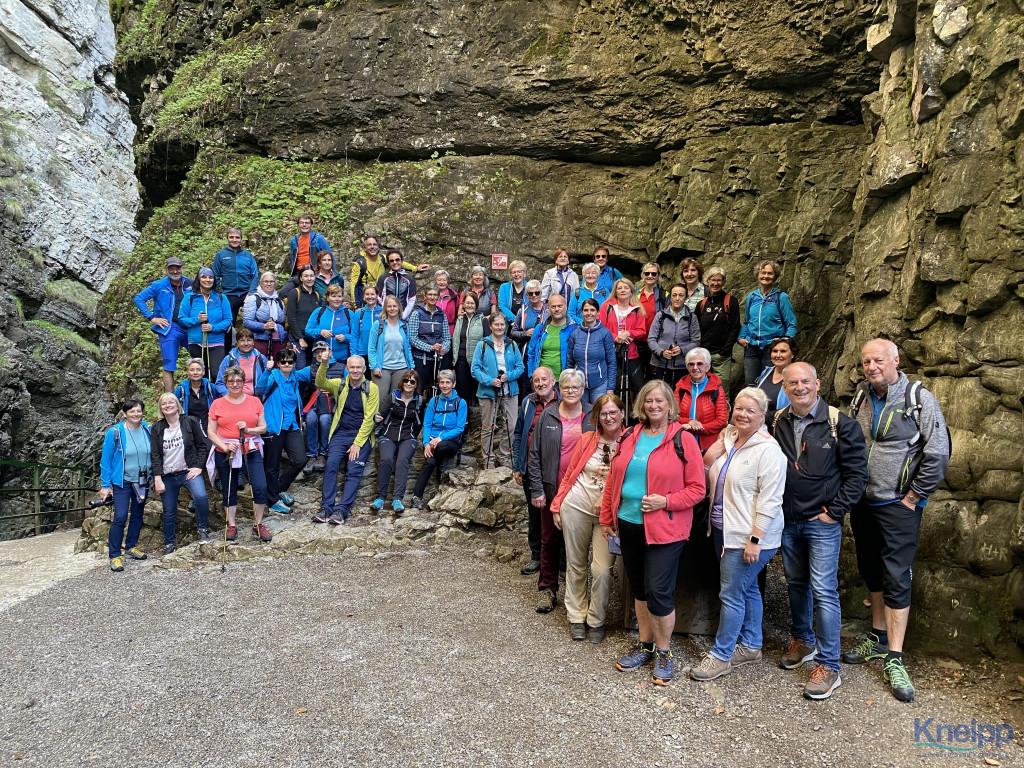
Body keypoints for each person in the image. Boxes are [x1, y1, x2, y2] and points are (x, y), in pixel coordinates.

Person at [842, 339, 950, 703]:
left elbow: (937, 452)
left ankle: (895, 656)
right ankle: (875, 637)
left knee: (896, 574)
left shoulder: (919, 398)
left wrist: (912, 499)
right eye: (866, 361)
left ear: (895, 360)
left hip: (898, 505)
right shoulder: (860, 396)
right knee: (871, 568)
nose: (871, 366)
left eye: (878, 360)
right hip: (864, 501)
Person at [599, 380, 706, 685]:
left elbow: (698, 489)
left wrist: (666, 501)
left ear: (670, 405)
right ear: (641, 405)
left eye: (659, 401)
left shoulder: (682, 440)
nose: (654, 406)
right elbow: (613, 481)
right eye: (649, 401)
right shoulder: (631, 434)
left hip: (666, 529)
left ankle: (664, 651)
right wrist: (607, 516)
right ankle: (645, 646)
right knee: (640, 589)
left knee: (659, 592)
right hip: (629, 523)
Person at [774, 362, 868, 700]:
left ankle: (829, 665)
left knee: (824, 590)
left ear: (818, 383)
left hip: (822, 522)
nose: (799, 388)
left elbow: (857, 475)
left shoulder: (839, 423)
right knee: (796, 582)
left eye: (805, 382)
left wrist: (835, 512)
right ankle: (803, 639)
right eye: (792, 383)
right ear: (784, 386)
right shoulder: (778, 421)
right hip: (788, 519)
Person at [690, 387, 785, 682]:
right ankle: (752, 645)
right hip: (723, 528)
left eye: (750, 410)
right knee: (747, 588)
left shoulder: (769, 451)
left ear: (762, 415)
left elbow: (770, 500)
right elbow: (708, 472)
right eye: (739, 408)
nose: (742, 414)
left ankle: (721, 655)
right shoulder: (729, 438)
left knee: (731, 593)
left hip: (748, 536)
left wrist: (755, 540)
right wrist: (709, 455)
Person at [549, 392, 625, 643]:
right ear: (597, 418)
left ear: (622, 414)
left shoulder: (631, 441)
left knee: (602, 569)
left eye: (614, 412)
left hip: (608, 516)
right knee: (576, 563)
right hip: (577, 505)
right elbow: (571, 473)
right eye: (604, 413)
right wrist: (557, 503)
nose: (609, 417)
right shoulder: (586, 440)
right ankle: (576, 616)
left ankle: (596, 618)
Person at [528, 368, 589, 614]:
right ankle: (547, 589)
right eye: (566, 387)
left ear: (583, 389)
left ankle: (579, 597)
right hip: (552, 489)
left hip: (582, 491)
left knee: (579, 546)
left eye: (575, 387)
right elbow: (535, 455)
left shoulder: (592, 415)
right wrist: (537, 490)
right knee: (549, 540)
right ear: (559, 389)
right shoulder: (549, 415)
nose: (571, 391)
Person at [207, 366, 272, 543]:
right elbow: (211, 431)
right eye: (231, 381)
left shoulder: (254, 401)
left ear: (244, 382)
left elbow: (263, 427)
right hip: (226, 449)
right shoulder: (217, 404)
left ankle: (258, 523)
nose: (235, 384)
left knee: (260, 486)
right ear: (226, 383)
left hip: (249, 447)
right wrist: (225, 446)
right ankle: (232, 524)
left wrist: (248, 429)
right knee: (229, 488)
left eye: (238, 381)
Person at [314, 354, 380, 524]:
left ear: (364, 369)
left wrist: (357, 443)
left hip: (361, 434)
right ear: (347, 369)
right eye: (352, 367)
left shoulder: (372, 388)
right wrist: (324, 364)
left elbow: (369, 419)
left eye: (359, 367)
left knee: (353, 470)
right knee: (331, 465)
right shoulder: (341, 384)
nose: (355, 370)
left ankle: (342, 510)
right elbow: (321, 383)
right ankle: (326, 508)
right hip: (341, 433)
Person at [151, 392, 211, 554]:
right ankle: (169, 543)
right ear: (161, 408)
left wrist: (198, 466)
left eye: (171, 402)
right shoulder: (156, 428)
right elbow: (155, 454)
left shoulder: (190, 422)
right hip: (167, 475)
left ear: (177, 404)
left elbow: (202, 446)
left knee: (201, 496)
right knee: (169, 510)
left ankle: (202, 529)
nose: (168, 405)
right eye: (164, 403)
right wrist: (157, 478)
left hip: (188, 470)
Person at [512, 367, 558, 576]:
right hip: (531, 466)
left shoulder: (563, 402)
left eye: (544, 379)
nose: (540, 383)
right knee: (534, 513)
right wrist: (517, 466)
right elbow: (519, 433)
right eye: (536, 380)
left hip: (556, 467)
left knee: (558, 513)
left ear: (553, 381)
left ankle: (561, 559)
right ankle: (536, 556)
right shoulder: (528, 402)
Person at [98, 400, 152, 572]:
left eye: (139, 411)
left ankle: (131, 546)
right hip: (122, 481)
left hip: (142, 479)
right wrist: (105, 485)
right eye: (132, 411)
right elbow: (106, 460)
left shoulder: (147, 429)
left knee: (137, 514)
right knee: (120, 516)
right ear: (125, 413)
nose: (136, 414)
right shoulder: (115, 433)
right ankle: (114, 555)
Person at [257, 348, 312, 514]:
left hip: (292, 425)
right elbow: (259, 389)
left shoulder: (295, 376)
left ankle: (279, 488)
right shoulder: (273, 376)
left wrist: (322, 357)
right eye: (283, 361)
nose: (286, 364)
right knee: (272, 465)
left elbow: (313, 370)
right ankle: (273, 500)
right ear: (278, 363)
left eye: (290, 361)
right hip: (275, 426)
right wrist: (267, 369)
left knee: (300, 459)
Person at [133, 257, 194, 392]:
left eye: (177, 268)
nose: (175, 271)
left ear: (182, 269)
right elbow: (139, 298)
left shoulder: (190, 284)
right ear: (166, 270)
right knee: (169, 364)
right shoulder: (159, 285)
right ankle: (169, 398)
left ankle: (198, 393)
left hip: (189, 327)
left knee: (199, 358)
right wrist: (152, 317)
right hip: (169, 328)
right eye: (171, 268)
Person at [472, 313, 524, 468]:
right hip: (488, 392)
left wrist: (509, 376)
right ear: (491, 326)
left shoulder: (512, 345)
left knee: (512, 425)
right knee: (488, 426)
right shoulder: (482, 345)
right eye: (497, 324)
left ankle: (504, 453)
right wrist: (489, 380)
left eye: (502, 324)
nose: (500, 327)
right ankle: (488, 458)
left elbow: (520, 367)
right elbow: (475, 369)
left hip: (509, 390)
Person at [411, 370, 467, 507]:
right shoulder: (434, 401)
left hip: (450, 442)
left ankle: (438, 466)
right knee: (430, 463)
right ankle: (416, 497)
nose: (444, 385)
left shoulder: (461, 403)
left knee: (441, 447)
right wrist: (425, 444)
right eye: (442, 382)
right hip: (431, 441)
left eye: (448, 382)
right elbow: (427, 424)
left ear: (453, 384)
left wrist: (440, 438)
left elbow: (459, 428)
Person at [738, 259, 798, 385]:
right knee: (751, 384)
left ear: (775, 276)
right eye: (763, 273)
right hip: (752, 346)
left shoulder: (781, 297)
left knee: (770, 383)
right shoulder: (752, 297)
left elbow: (791, 323)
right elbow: (747, 321)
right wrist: (741, 337)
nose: (766, 276)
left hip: (772, 346)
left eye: (769, 273)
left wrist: (785, 341)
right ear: (758, 275)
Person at [372, 370, 423, 514]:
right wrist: (377, 419)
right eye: (406, 380)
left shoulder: (419, 401)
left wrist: (413, 435)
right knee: (386, 459)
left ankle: (397, 499)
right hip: (388, 434)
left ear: (416, 385)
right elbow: (380, 415)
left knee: (402, 461)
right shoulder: (393, 397)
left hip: (408, 436)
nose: (408, 383)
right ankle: (380, 498)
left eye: (412, 381)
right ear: (402, 382)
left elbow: (419, 422)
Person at [599, 279, 646, 411]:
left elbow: (642, 331)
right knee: (614, 385)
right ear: (615, 291)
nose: (623, 290)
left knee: (638, 386)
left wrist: (628, 334)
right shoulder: (607, 307)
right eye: (620, 288)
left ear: (631, 291)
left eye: (626, 287)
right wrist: (615, 337)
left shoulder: (637, 309)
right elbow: (601, 328)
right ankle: (612, 412)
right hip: (611, 352)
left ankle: (637, 415)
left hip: (631, 353)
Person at [696, 266, 741, 397]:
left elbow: (735, 327)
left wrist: (724, 351)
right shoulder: (702, 304)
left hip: (721, 356)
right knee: (703, 390)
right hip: (704, 355)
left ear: (723, 282)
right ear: (707, 281)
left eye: (719, 280)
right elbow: (696, 328)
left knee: (721, 392)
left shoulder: (730, 301)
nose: (715, 283)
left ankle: (724, 417)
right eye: (712, 279)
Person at [179, 266, 231, 379]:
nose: (208, 280)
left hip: (216, 343)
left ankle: (217, 396)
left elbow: (228, 320)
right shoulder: (190, 297)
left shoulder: (221, 298)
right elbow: (182, 318)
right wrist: (197, 320)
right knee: (200, 376)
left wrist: (213, 327)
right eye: (204, 277)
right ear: (198, 279)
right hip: (196, 343)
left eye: (210, 277)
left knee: (216, 374)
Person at [673, 347, 729, 452]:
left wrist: (698, 428)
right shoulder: (680, 388)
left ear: (707, 367)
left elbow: (722, 420)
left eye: (700, 364)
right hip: (683, 441)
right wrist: (689, 422)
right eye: (691, 364)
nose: (695, 367)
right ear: (687, 367)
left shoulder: (716, 388)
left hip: (709, 445)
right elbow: (672, 415)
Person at [211, 227, 260, 347]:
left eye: (237, 237)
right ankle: (229, 349)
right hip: (229, 294)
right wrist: (219, 292)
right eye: (231, 237)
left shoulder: (248, 256)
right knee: (228, 324)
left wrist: (251, 292)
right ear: (227, 238)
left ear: (241, 239)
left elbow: (255, 274)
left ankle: (254, 347)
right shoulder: (221, 255)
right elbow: (215, 274)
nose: (234, 240)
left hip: (246, 293)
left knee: (254, 319)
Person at [350, 235, 427, 308]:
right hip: (366, 299)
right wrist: (356, 306)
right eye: (369, 245)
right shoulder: (360, 263)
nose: (372, 247)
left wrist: (415, 268)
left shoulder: (382, 258)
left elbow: (396, 262)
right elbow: (354, 285)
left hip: (380, 298)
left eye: (375, 244)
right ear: (365, 248)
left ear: (378, 246)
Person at [368, 295, 415, 412]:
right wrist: (374, 366)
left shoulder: (404, 326)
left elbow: (407, 348)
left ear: (399, 308)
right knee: (380, 399)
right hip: (382, 368)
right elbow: (371, 348)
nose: (392, 309)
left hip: (401, 368)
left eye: (394, 306)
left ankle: (391, 425)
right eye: (389, 306)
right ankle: (377, 426)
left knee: (396, 400)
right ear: (385, 308)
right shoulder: (378, 325)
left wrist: (411, 366)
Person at [648, 284, 701, 388]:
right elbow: (651, 339)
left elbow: (696, 341)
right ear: (670, 297)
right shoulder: (661, 315)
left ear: (686, 298)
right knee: (661, 394)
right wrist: (661, 352)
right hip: (660, 364)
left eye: (681, 295)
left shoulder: (691, 317)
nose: (677, 298)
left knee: (680, 396)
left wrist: (682, 349)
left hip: (682, 365)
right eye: (674, 295)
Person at [566, 298, 616, 403]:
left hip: (600, 384)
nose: (589, 313)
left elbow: (611, 362)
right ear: (582, 312)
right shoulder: (575, 334)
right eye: (586, 310)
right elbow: (570, 361)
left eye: (592, 310)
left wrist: (610, 387)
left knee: (598, 415)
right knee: (581, 415)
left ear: (598, 313)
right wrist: (569, 381)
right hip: (579, 384)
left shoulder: (605, 333)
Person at [408, 285, 452, 397]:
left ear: (438, 297)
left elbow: (447, 337)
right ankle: (418, 412)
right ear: (425, 297)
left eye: (435, 295)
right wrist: (430, 347)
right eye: (430, 295)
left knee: (438, 388)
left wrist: (444, 348)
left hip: (438, 359)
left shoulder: (442, 315)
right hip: (421, 359)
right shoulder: (416, 313)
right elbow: (413, 338)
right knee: (419, 388)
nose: (432, 297)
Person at [451, 292, 489, 408]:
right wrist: (454, 360)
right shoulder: (460, 320)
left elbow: (487, 342)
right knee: (462, 392)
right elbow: (455, 340)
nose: (469, 305)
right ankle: (464, 421)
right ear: (463, 304)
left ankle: (479, 422)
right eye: (467, 303)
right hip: (461, 360)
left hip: (476, 361)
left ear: (476, 305)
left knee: (477, 392)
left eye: (472, 303)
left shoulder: (483, 320)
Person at [302, 342, 335, 473]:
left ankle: (323, 454)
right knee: (310, 419)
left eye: (323, 351)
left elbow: (347, 386)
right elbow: (293, 374)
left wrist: (334, 392)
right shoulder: (309, 369)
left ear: (330, 352)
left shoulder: (340, 367)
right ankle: (312, 455)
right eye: (317, 352)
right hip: (314, 405)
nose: (321, 354)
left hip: (331, 407)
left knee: (325, 420)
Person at [511, 280, 547, 397]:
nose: (534, 296)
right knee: (529, 381)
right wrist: (525, 333)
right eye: (530, 293)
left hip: (544, 351)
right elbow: (513, 331)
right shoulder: (523, 311)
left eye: (537, 293)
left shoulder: (548, 310)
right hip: (527, 352)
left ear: (541, 293)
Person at [525, 294, 574, 379]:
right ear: (549, 309)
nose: (556, 309)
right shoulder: (540, 328)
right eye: (553, 307)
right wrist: (532, 375)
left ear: (566, 307)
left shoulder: (573, 329)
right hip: (543, 380)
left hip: (565, 380)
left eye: (560, 306)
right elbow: (531, 353)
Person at [243, 271, 288, 360]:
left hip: (277, 340)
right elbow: (246, 322)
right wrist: (264, 326)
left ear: (275, 284)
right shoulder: (253, 299)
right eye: (266, 281)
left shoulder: (279, 301)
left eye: (271, 281)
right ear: (261, 283)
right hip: (259, 339)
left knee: (277, 367)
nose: (269, 284)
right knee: (260, 366)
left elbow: (282, 321)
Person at [304, 284, 353, 365]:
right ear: (327, 298)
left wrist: (345, 337)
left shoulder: (349, 313)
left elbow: (355, 336)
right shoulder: (319, 311)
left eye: (339, 296)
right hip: (321, 358)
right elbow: (308, 331)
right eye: (333, 296)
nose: (337, 299)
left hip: (342, 359)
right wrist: (320, 332)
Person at [755, 336, 797, 429]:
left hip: (781, 429)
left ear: (792, 354)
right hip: (758, 427)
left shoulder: (797, 378)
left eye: (783, 351)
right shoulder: (766, 372)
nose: (778, 355)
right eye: (774, 351)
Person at [285, 267, 322, 368]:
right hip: (297, 338)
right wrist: (300, 338)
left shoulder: (317, 295)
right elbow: (291, 317)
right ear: (301, 278)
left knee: (313, 368)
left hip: (312, 337)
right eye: (306, 276)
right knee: (301, 367)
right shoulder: (294, 293)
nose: (309, 278)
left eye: (311, 276)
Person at [214, 328, 267, 396]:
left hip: (256, 399)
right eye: (242, 340)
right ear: (237, 343)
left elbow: (268, 381)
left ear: (253, 342)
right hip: (234, 400)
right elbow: (219, 383)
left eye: (249, 340)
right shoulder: (228, 359)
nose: (246, 343)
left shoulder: (261, 359)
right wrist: (229, 396)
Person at [636, 262, 667, 376]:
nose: (650, 276)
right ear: (642, 275)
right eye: (647, 273)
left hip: (656, 341)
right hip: (638, 341)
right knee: (638, 375)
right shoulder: (636, 295)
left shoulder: (665, 295)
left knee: (654, 375)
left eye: (653, 274)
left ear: (658, 276)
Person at [175, 358, 216, 433]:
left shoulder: (211, 388)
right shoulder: (181, 390)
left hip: (209, 430)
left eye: (198, 370)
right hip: (189, 431)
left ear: (203, 372)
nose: (195, 372)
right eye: (192, 370)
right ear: (188, 372)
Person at [376, 248, 417, 319]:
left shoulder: (409, 279)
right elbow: (379, 298)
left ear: (401, 261)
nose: (395, 262)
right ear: (388, 263)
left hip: (404, 317)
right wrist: (387, 312)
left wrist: (403, 316)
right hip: (387, 317)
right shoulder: (383, 278)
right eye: (391, 261)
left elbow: (412, 299)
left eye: (397, 259)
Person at [288, 214, 332, 280]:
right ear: (298, 224)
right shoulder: (294, 240)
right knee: (285, 290)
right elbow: (292, 259)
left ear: (311, 225)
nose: (304, 225)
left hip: (314, 272)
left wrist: (331, 273)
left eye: (307, 223)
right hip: (298, 273)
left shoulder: (318, 238)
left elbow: (329, 255)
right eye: (302, 223)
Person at [350, 284, 381, 364]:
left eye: (372, 294)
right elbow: (354, 335)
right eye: (367, 294)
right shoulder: (359, 313)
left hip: (379, 353)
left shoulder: (383, 312)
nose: (370, 297)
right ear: (363, 296)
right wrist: (354, 354)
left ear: (377, 296)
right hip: (362, 353)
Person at [497, 260, 528, 324]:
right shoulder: (504, 287)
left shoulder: (530, 287)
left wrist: (522, 322)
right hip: (508, 323)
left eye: (519, 272)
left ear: (524, 273)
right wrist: (516, 320)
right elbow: (502, 306)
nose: (516, 274)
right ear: (511, 274)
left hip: (526, 323)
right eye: (513, 272)